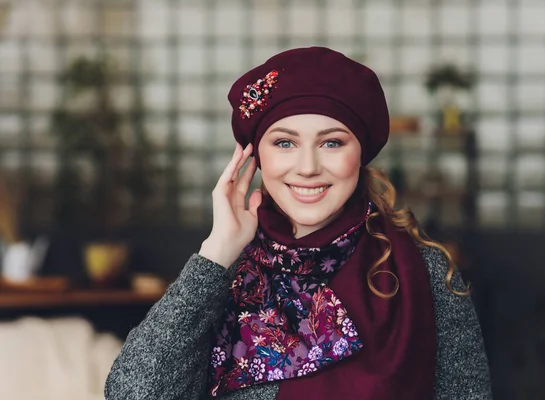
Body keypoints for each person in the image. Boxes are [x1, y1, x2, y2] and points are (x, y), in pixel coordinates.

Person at [104, 47, 492, 400]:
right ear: (255, 160)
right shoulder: (227, 272)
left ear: (361, 154)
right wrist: (216, 253)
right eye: (284, 143)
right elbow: (133, 394)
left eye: (332, 142)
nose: (307, 168)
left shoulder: (424, 273)